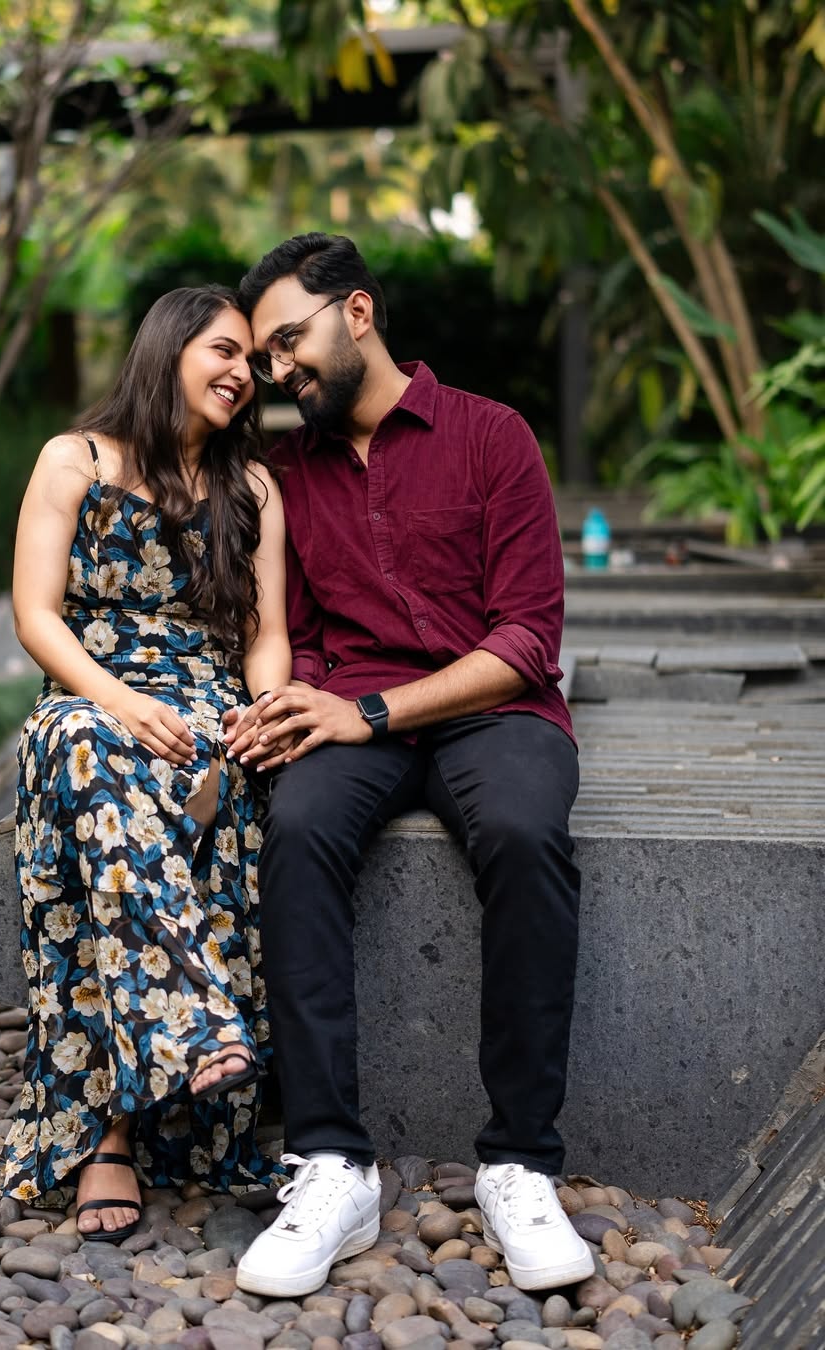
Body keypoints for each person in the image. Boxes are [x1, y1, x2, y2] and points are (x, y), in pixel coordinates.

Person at [224, 234, 593, 1297]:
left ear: (358, 313)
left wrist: (369, 712)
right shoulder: (286, 474)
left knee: (524, 831)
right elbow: (289, 632)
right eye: (265, 355)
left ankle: (520, 1164)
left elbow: (527, 639)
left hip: (491, 709)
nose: (278, 370)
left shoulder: (491, 435)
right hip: (351, 709)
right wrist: (293, 703)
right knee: (296, 829)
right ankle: (332, 1165)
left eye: (289, 341)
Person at [0, 285, 292, 1241]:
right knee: (85, 748)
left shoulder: (252, 491)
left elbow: (266, 634)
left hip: (205, 705)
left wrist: (257, 716)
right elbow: (36, 615)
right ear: (168, 349)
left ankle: (110, 1135)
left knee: (168, 785)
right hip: (91, 693)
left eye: (250, 360)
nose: (242, 373)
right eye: (223, 350)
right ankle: (192, 1031)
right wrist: (121, 702)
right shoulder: (74, 460)